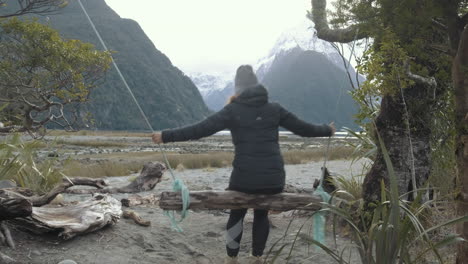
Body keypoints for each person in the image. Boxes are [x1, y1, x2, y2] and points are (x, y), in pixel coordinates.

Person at [152, 65, 335, 264]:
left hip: (244, 180)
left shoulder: (233, 110)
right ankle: (257, 257)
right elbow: (303, 128)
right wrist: (326, 129)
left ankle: (231, 258)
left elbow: (200, 129)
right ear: (257, 85)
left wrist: (165, 136)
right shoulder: (275, 109)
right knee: (261, 213)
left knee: (237, 212)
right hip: (273, 180)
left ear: (237, 88)